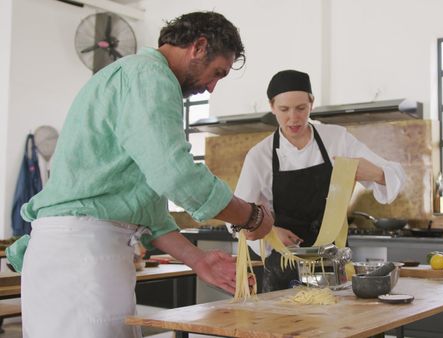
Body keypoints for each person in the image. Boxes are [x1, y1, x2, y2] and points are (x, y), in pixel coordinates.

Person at [14, 11, 273, 338]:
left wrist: (197, 259)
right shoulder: (150, 76)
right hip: (81, 259)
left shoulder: (134, 77)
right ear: (199, 46)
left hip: (81, 255)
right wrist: (251, 216)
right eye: (216, 73)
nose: (211, 87)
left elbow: (148, 207)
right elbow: (177, 176)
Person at [232, 69, 406, 292]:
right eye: (284, 109)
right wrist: (269, 230)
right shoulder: (260, 155)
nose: (293, 118)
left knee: (338, 325)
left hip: (333, 263)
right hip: (284, 266)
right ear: (272, 107)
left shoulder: (337, 139)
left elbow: (395, 175)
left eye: (301, 108)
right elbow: (236, 217)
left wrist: (375, 173)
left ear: (311, 103)